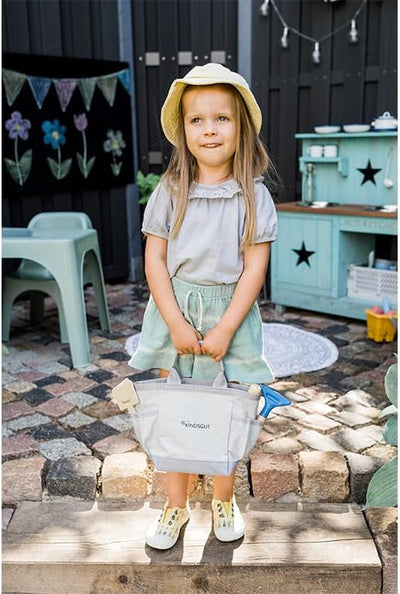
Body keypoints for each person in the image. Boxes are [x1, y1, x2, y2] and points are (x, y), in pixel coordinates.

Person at [129, 62, 278, 550]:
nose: (209, 129)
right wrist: (174, 320)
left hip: (228, 315)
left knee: (225, 412)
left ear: (241, 128)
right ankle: (173, 507)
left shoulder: (254, 196)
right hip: (178, 309)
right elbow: (155, 260)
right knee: (176, 411)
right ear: (183, 130)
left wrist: (226, 328)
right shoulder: (170, 191)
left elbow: (253, 271)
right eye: (197, 119)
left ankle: (223, 498)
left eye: (222, 118)